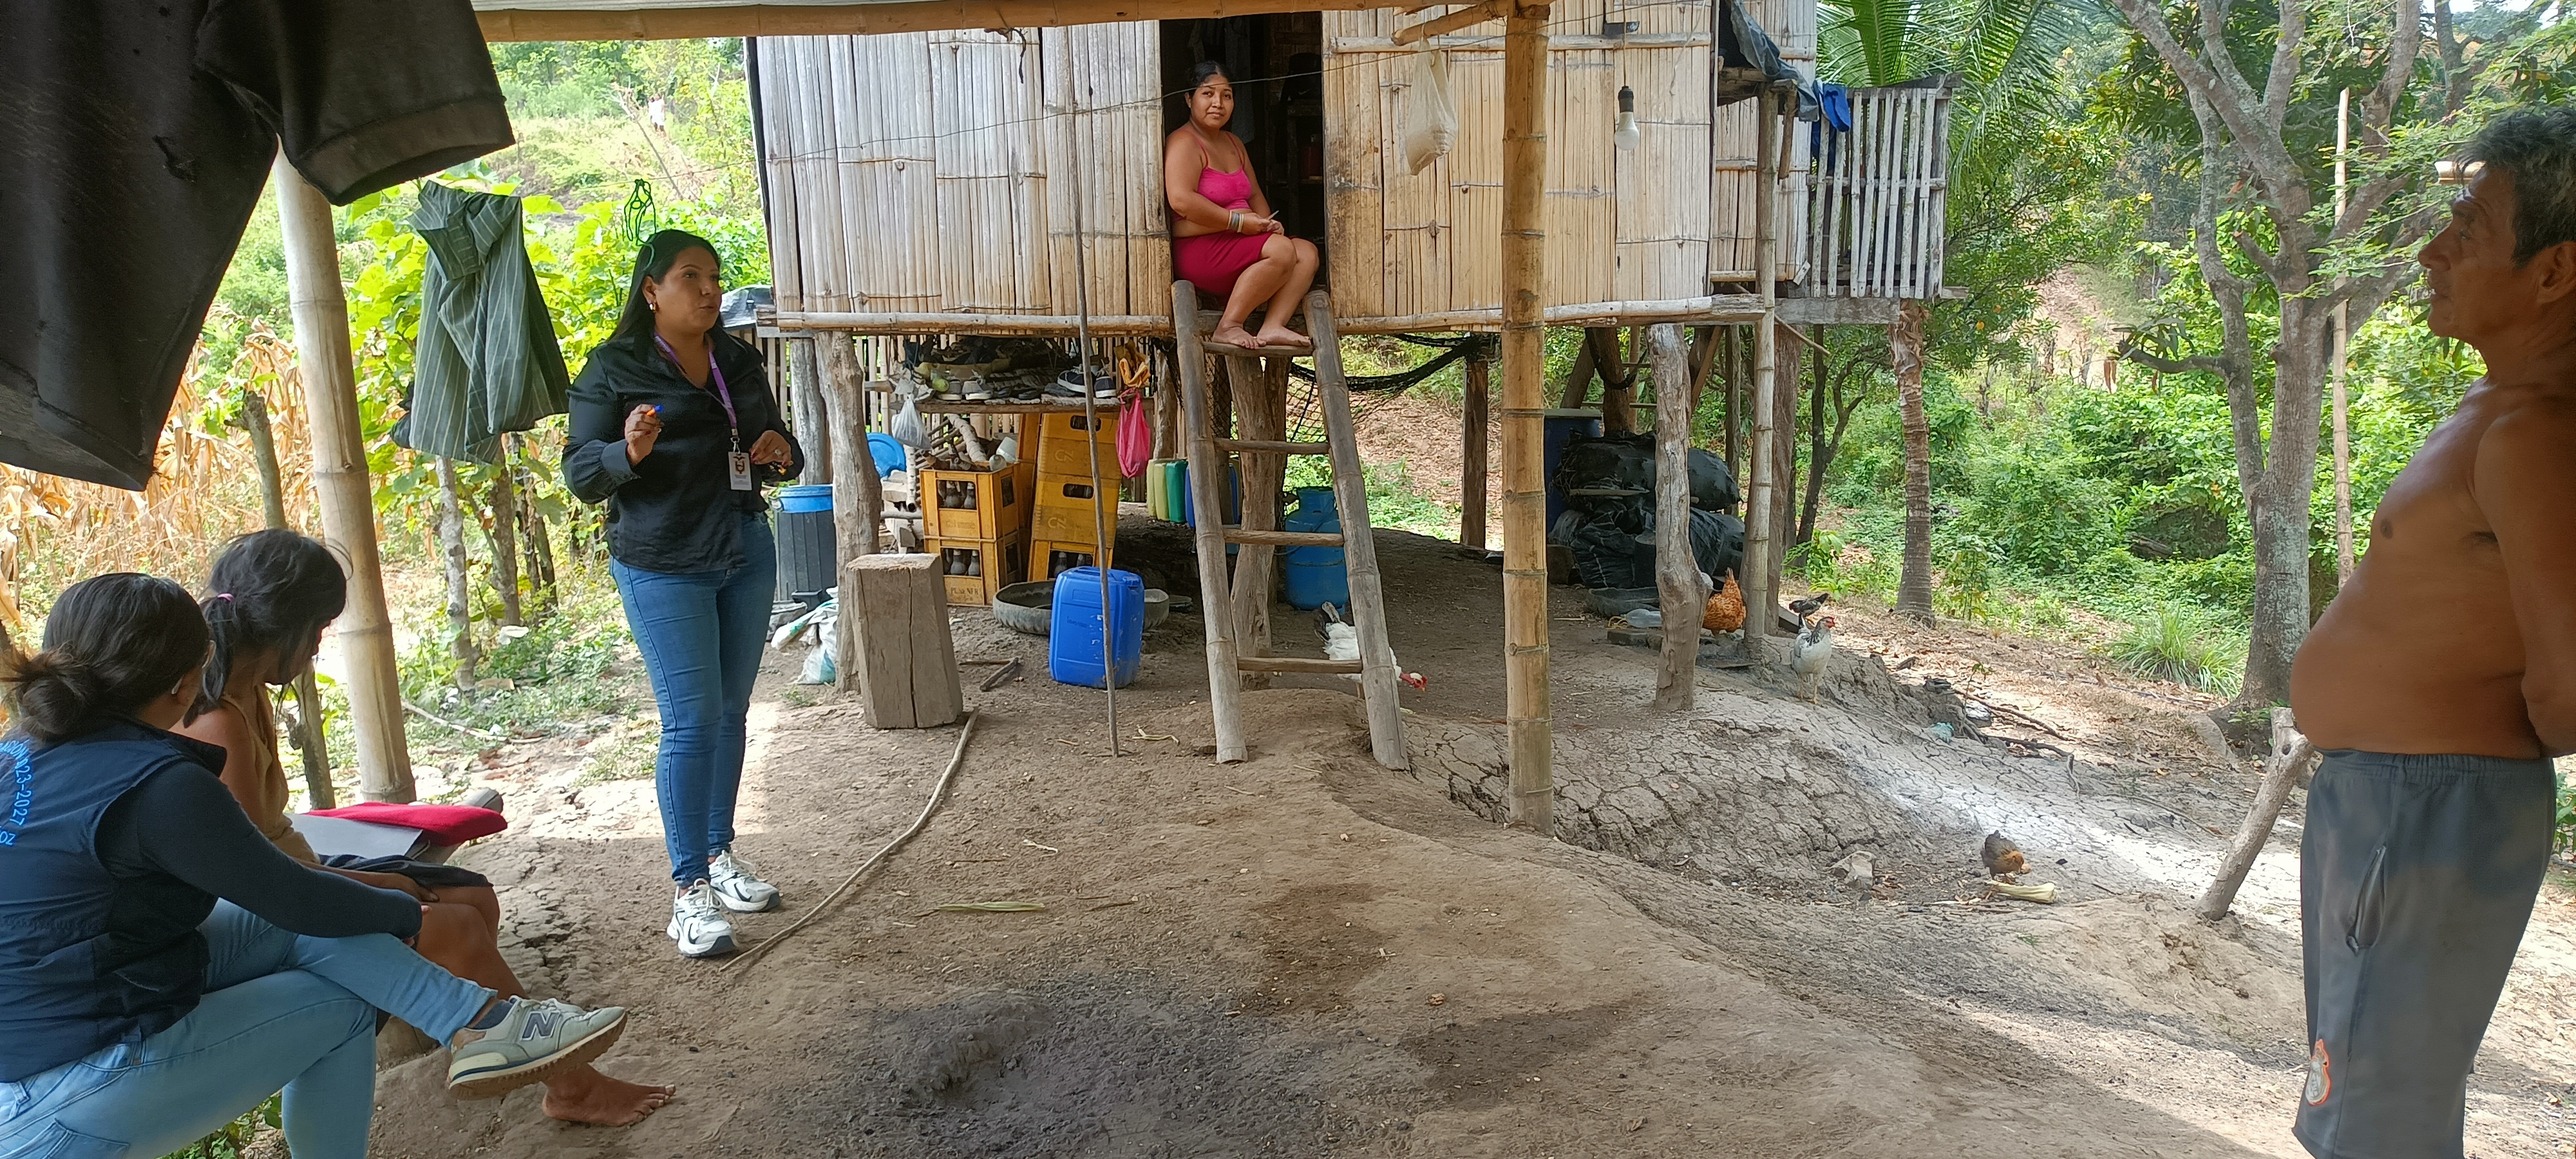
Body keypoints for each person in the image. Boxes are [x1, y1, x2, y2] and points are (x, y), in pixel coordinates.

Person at [0, 574, 628, 1159]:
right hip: (62, 1088)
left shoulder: (18, 752)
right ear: (184, 682)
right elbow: (297, 898)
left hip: (62, 1016)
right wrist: (409, 914)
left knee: (297, 928)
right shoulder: (158, 786)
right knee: (343, 1005)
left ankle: (483, 1022)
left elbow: (285, 904)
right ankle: (482, 1025)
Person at [2287, 106, 2576, 1159]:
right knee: (2366, 1109)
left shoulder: (2536, 434)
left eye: (2469, 227)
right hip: (2400, 804)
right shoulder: (2497, 408)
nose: (2432, 252)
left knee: (2376, 1127)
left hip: (2427, 811)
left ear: (2555, 272)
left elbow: (2569, 691)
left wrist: (2455, 764)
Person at [174, 530, 675, 1126]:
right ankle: (571, 1087)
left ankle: (477, 1039)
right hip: (269, 901)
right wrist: (380, 887)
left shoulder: (244, 687)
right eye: (319, 629)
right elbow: (259, 880)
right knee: (451, 925)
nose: (318, 646)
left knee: (472, 896)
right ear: (288, 627)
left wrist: (379, 884)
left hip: (296, 870)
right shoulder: (217, 721)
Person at [563, 228, 805, 959]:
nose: (709, 290)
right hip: (663, 561)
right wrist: (626, 451)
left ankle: (720, 855)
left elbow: (779, 449)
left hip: (743, 548)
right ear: (652, 290)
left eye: (715, 277)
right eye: (691, 277)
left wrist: (780, 453)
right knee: (692, 722)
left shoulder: (737, 360)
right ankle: (688, 892)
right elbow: (580, 474)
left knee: (731, 715)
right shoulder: (614, 368)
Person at [1165, 61, 1320, 351]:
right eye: (1208, 94)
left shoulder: (1234, 143)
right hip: (1199, 248)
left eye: (1227, 95)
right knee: (1281, 250)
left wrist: (1267, 223)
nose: (1218, 103)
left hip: (1239, 240)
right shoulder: (1183, 142)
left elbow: (1255, 195)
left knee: (1307, 253)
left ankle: (1273, 325)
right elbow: (1181, 201)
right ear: (1188, 99)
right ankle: (1229, 326)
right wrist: (1237, 222)